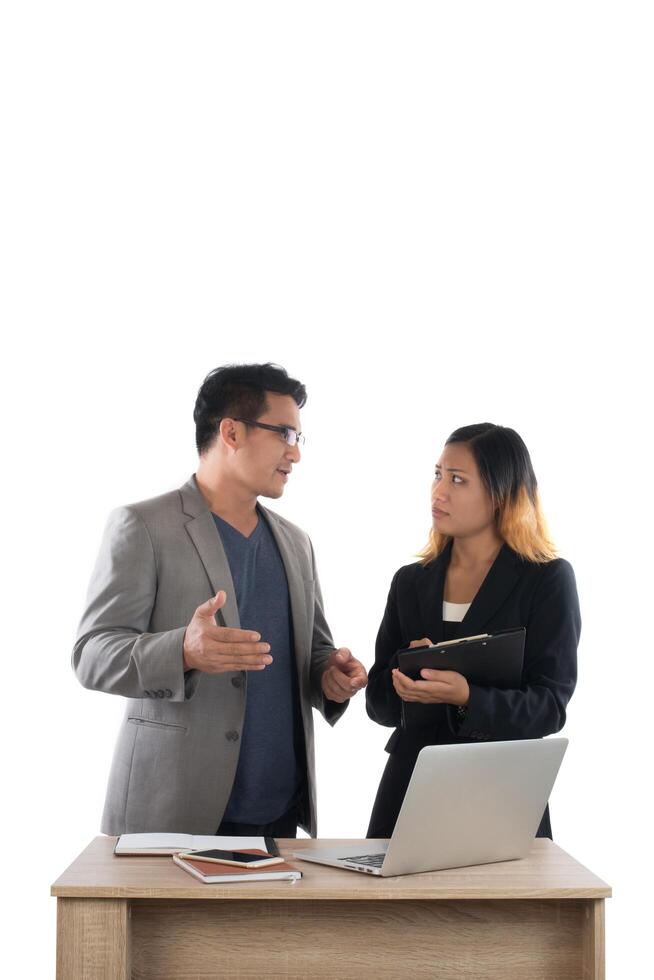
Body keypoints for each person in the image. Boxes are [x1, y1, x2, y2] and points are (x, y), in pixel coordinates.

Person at [73, 363, 367, 839]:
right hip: (172, 810)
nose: (295, 453)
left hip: (276, 811)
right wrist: (183, 652)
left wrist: (329, 676)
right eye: (285, 433)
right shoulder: (143, 526)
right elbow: (91, 655)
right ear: (231, 431)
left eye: (299, 439)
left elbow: (312, 650)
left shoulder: (296, 542)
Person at [366, 423, 580, 840]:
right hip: (410, 786)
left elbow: (550, 707)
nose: (438, 491)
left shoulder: (547, 579)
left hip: (501, 791)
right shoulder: (410, 581)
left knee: (499, 908)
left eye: (458, 480)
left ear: (501, 494)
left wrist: (467, 697)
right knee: (392, 908)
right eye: (437, 474)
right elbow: (379, 705)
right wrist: (405, 675)